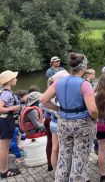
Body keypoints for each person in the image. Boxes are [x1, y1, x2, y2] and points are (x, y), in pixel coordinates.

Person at [40, 52, 98, 182]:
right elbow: (92, 109)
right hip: (82, 125)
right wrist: (96, 118)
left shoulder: (58, 82)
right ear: (83, 67)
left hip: (63, 123)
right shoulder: (85, 84)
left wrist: (58, 109)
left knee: (63, 156)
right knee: (80, 159)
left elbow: (43, 99)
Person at [46, 70, 69, 172]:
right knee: (64, 149)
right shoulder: (59, 94)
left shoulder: (49, 92)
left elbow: (43, 104)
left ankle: (55, 171)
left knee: (55, 148)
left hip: (53, 122)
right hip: (60, 123)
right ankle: (63, 171)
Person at [0, 70, 21, 178]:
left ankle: (4, 168)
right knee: (4, 147)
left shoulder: (3, 91)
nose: (16, 79)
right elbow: (0, 108)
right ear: (9, 81)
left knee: (4, 146)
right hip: (6, 122)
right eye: (14, 77)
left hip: (5, 121)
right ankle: (4, 171)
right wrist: (15, 108)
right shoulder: (6, 93)